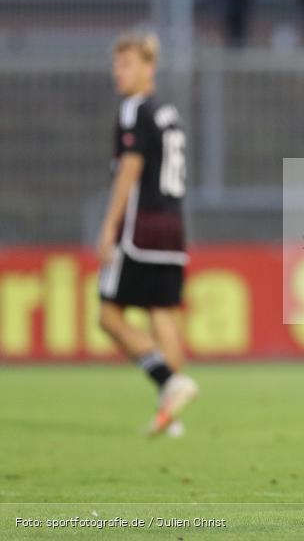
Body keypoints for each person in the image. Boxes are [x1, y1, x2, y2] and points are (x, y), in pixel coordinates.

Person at [97, 31, 198, 437]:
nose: (118, 73)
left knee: (108, 315)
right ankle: (170, 415)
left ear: (148, 67)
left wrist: (108, 226)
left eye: (127, 64)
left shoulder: (134, 109)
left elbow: (130, 170)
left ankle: (168, 382)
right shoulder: (166, 112)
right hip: (172, 225)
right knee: (163, 315)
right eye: (116, 64)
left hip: (141, 226)